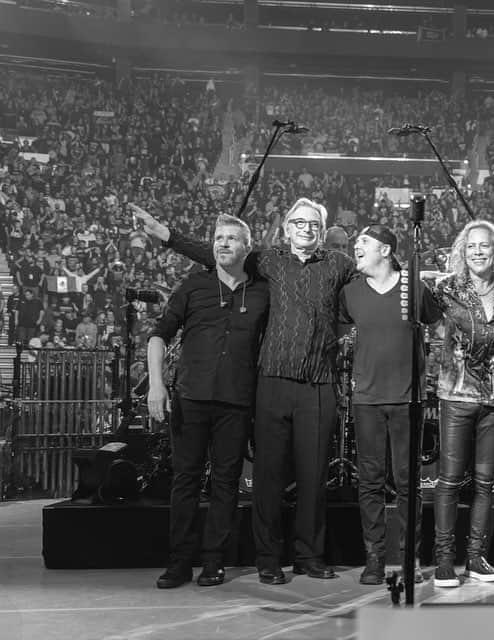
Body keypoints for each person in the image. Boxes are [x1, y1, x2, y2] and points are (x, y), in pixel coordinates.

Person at [133, 198, 355, 585]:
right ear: (286, 228)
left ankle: (308, 556)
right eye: (298, 222)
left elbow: (368, 290)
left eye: (313, 223)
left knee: (312, 476)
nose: (305, 228)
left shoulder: (339, 265)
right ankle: (265, 558)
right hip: (268, 381)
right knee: (265, 477)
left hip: (317, 382)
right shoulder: (266, 262)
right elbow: (220, 254)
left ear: (322, 230)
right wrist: (168, 236)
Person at [148, 214, 268, 589]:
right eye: (218, 238)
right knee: (185, 480)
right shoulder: (193, 286)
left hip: (236, 402)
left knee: (225, 482)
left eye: (233, 238)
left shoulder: (264, 291)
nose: (224, 243)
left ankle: (214, 561)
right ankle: (180, 562)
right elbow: (158, 336)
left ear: (247, 248)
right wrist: (156, 385)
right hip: (190, 399)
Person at [339, 224, 441, 585]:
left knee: (407, 482)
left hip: (407, 399)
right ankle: (374, 559)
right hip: (366, 400)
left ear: (385, 249)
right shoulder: (350, 292)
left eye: (363, 242)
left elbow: (436, 317)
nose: (357, 247)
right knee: (369, 481)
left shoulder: (413, 287)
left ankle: (410, 557)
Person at [428, 220, 494, 588]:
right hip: (456, 395)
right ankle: (444, 560)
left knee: (486, 481)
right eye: (471, 247)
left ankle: (476, 558)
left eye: (484, 246)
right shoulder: (445, 288)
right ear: (462, 253)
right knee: (450, 480)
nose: (478, 252)